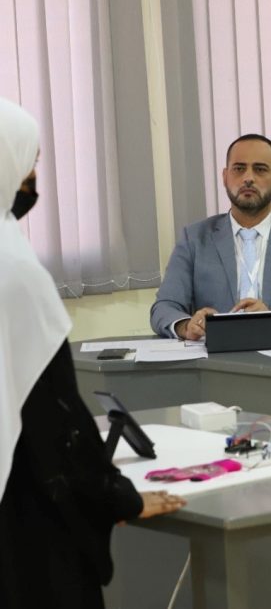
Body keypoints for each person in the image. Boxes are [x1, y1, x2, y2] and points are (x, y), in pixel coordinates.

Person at [0, 98, 186, 609]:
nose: (33, 179)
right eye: (28, 163)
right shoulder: (13, 274)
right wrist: (118, 498)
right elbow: (55, 421)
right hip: (23, 532)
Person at [150, 133, 271, 339]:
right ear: (225, 177)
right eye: (239, 169)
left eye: (260, 169)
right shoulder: (194, 238)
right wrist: (186, 325)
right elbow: (164, 307)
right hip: (214, 361)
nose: (248, 178)